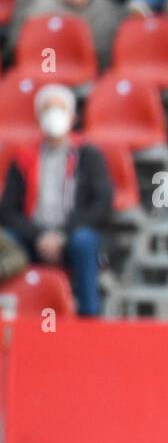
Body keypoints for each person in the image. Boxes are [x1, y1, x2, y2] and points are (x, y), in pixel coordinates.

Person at [0, 85, 113, 316]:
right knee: (6, 241)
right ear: (38, 117)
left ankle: (90, 318)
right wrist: (39, 236)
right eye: (48, 109)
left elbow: (102, 203)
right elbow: (8, 210)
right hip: (31, 238)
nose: (54, 115)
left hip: (71, 236)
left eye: (59, 109)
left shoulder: (88, 155)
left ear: (72, 116)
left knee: (84, 241)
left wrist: (62, 235)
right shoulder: (24, 157)